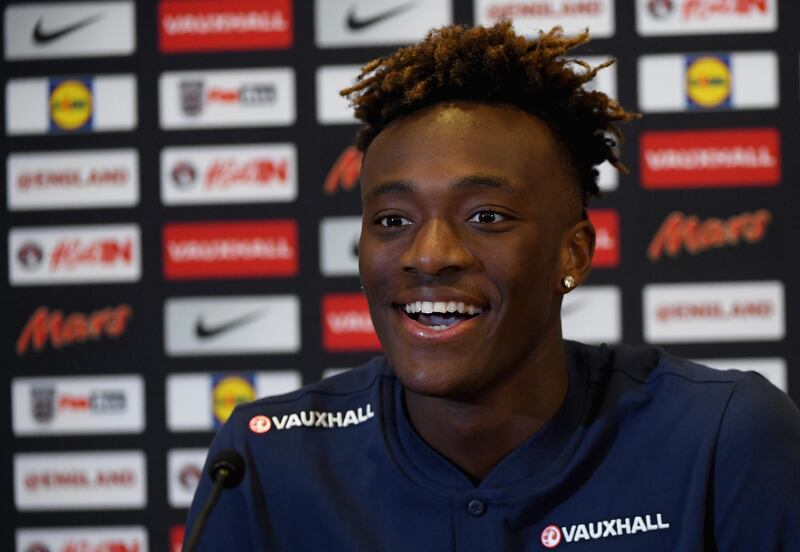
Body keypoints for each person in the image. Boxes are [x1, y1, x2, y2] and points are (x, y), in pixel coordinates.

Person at [185, 22, 800, 550]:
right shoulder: (263, 460)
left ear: (574, 253)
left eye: (486, 217)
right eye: (393, 221)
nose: (430, 255)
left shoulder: (722, 436)